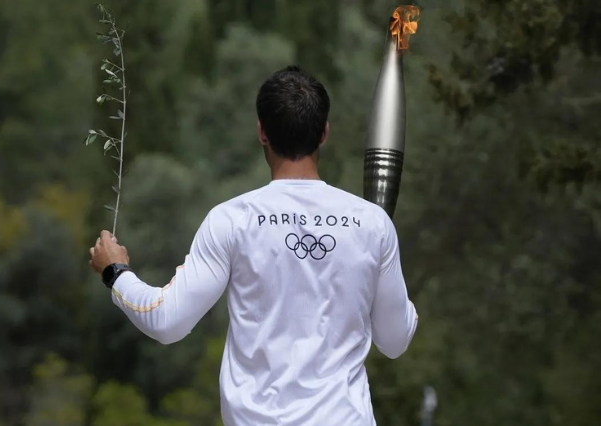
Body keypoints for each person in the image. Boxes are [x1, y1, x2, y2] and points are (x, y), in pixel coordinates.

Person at [88, 65, 418, 426]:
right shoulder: (372, 224)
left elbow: (168, 321)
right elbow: (395, 339)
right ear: (324, 133)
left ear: (262, 132)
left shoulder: (232, 220)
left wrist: (115, 272)